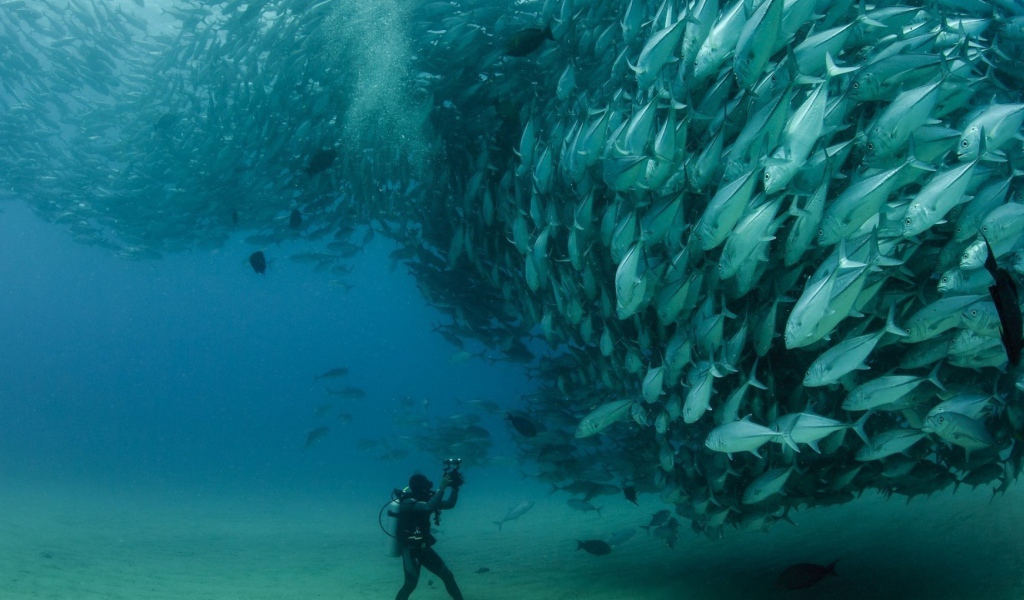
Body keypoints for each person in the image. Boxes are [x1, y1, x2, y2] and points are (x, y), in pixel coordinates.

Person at [394, 472, 463, 600]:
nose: (429, 487)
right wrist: (441, 488)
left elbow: (449, 504)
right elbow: (427, 508)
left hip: (423, 548)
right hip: (410, 549)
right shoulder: (408, 502)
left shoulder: (425, 499)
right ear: (421, 486)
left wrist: (455, 488)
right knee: (410, 585)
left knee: (447, 576)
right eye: (426, 484)